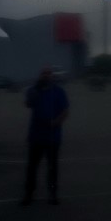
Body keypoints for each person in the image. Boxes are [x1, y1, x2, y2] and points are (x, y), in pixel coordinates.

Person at [22, 68, 69, 205]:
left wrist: (56, 122)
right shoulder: (33, 90)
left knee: (52, 168)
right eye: (44, 73)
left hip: (53, 137)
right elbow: (28, 104)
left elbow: (65, 111)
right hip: (36, 136)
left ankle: (53, 195)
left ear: (52, 76)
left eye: (49, 74)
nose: (46, 76)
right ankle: (29, 194)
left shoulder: (59, 91)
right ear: (40, 76)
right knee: (32, 167)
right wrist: (34, 91)